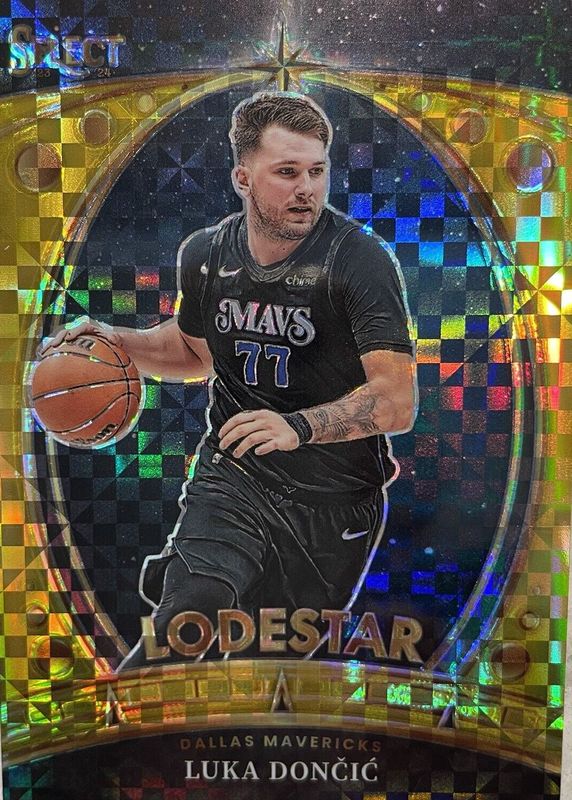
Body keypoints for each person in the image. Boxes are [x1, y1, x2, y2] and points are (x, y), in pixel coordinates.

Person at [43, 92, 417, 668]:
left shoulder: (359, 260)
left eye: (317, 171)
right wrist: (117, 340)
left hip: (335, 503)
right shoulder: (206, 252)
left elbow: (396, 400)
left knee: (258, 665)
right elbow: (195, 351)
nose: (307, 189)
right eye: (287, 172)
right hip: (234, 476)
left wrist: (298, 427)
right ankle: (117, 720)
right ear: (243, 178)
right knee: (184, 623)